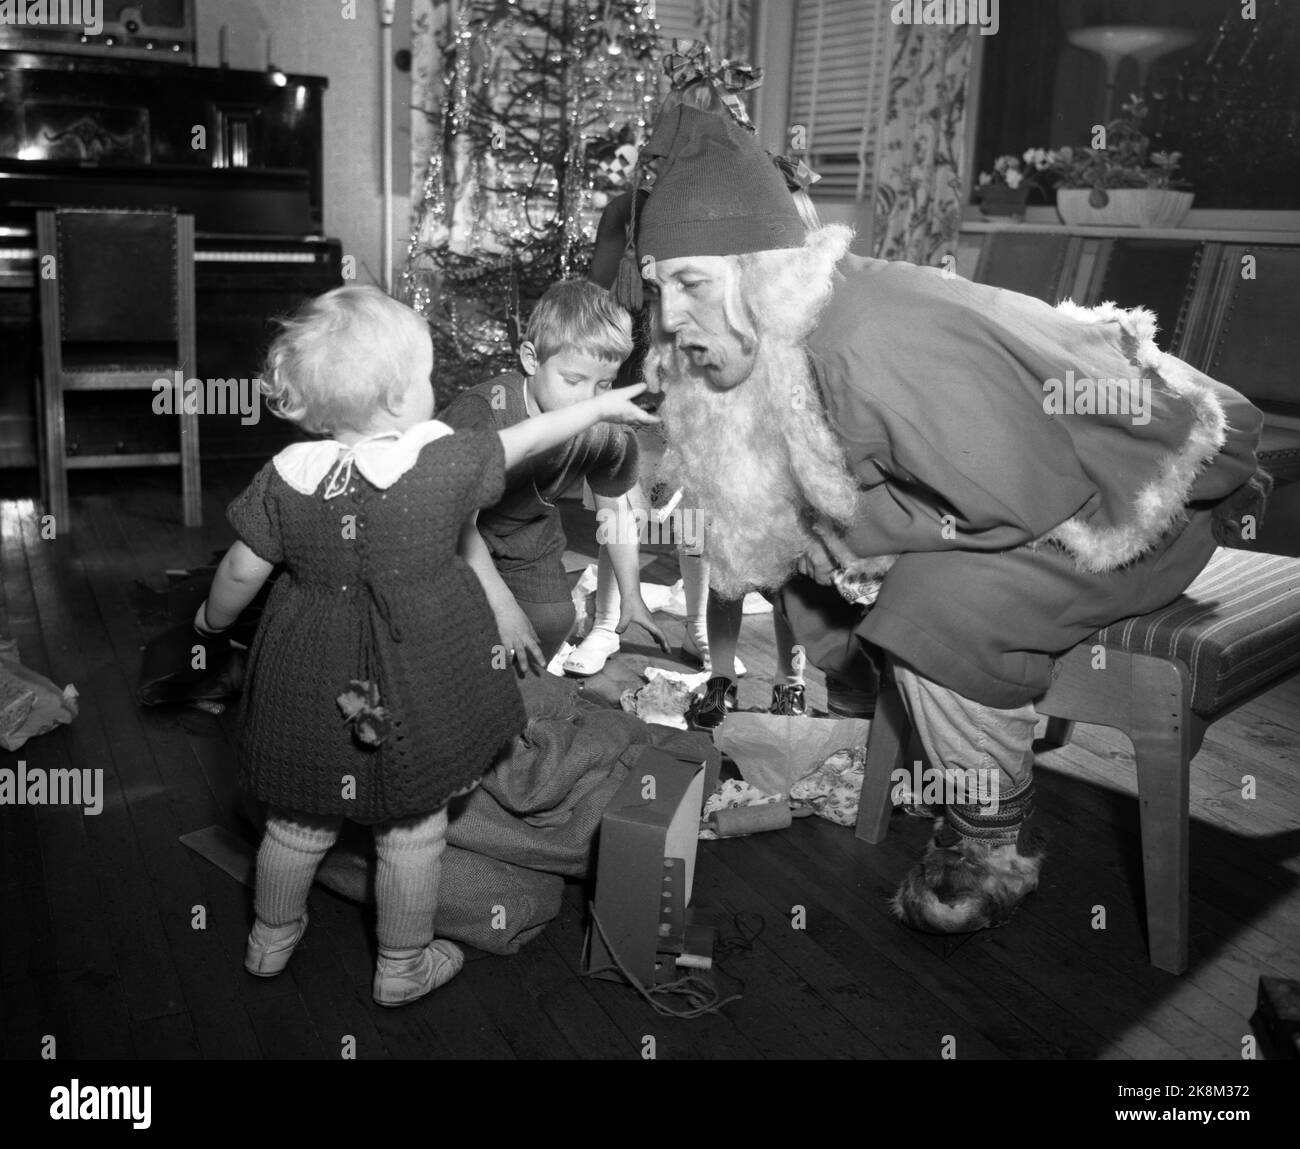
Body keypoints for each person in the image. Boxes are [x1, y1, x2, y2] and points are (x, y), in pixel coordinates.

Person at [615, 102, 1267, 934]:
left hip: (1160, 474)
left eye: (692, 283)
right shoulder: (774, 329)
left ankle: (990, 836)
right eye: (659, 286)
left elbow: (1021, 500)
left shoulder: (872, 343)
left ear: (762, 270)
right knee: (799, 546)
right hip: (1040, 463)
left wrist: (860, 544)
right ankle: (870, 723)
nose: (668, 317)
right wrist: (832, 541)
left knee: (937, 605)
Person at [192, 285, 659, 1006]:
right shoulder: (433, 465)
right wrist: (597, 407)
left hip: (306, 683)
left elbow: (239, 570)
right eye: (427, 375)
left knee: (296, 821)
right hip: (409, 682)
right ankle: (401, 963)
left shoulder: (283, 478)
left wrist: (210, 626)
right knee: (412, 830)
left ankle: (270, 936)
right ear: (401, 395)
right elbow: (514, 444)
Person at [443, 279, 668, 675]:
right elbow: (458, 523)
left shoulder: (604, 430)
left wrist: (632, 593)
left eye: (603, 384)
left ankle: (518, 698)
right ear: (532, 360)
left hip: (525, 530)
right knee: (453, 629)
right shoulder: (484, 413)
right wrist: (502, 605)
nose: (588, 399)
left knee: (552, 621)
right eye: (573, 380)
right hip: (447, 530)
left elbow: (614, 512)